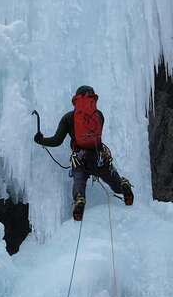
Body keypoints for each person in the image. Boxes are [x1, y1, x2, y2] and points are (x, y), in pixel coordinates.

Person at [33, 85, 134, 221]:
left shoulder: (68, 118)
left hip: (80, 158)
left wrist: (41, 140)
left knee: (79, 179)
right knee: (113, 180)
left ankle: (79, 198)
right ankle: (122, 185)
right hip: (99, 156)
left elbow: (57, 141)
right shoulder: (99, 115)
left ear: (76, 100)